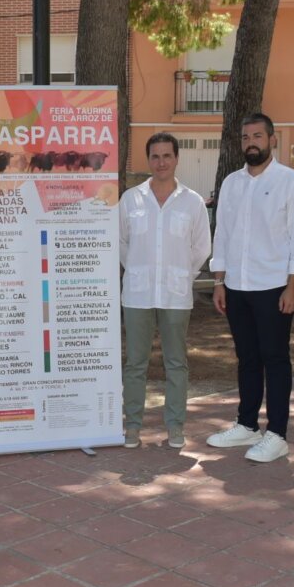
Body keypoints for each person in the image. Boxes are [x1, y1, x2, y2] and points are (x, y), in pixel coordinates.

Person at [206, 114, 294, 461]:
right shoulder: (231, 183)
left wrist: (293, 287)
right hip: (236, 286)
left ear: (272, 139)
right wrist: (219, 281)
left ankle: (277, 434)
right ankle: (247, 424)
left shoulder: (291, 182)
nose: (251, 142)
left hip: (273, 287)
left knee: (275, 359)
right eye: (245, 137)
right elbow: (222, 233)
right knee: (247, 358)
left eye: (257, 136)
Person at [119, 133, 211, 449]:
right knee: (135, 363)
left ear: (176, 158)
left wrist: (182, 274)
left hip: (175, 295)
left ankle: (175, 425)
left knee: (176, 363)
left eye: (167, 156)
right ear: (149, 160)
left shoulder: (192, 202)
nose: (161, 162)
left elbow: (201, 247)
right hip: (138, 294)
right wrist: (138, 269)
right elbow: (121, 243)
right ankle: (133, 425)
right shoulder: (130, 199)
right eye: (155, 156)